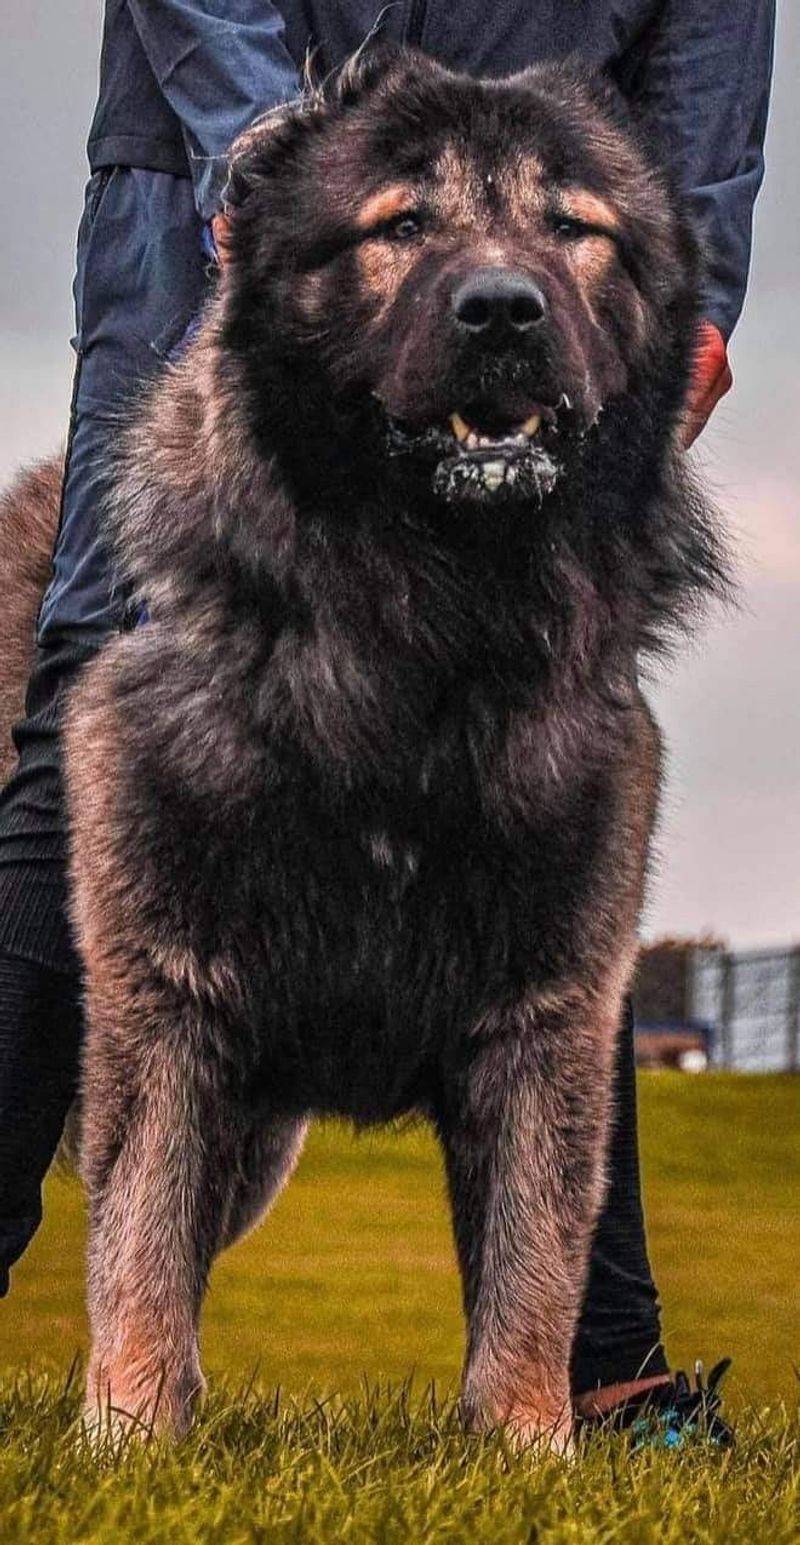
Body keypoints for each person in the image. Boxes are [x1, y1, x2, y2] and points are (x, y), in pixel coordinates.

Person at [0, 0, 775, 1442]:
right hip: (226, 197)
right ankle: (128, 1370)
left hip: (563, 199)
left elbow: (715, 26)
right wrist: (266, 164)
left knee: (547, 744)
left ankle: (593, 1378)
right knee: (107, 686)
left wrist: (699, 271)